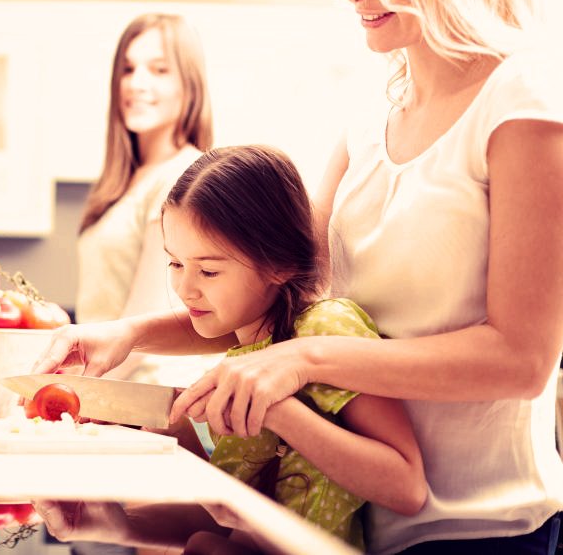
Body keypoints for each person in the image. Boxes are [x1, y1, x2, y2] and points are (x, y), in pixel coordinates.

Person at [36, 0, 563, 553]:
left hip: (486, 526)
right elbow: (276, 288)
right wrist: (128, 334)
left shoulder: (522, 101)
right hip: (372, 526)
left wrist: (304, 360)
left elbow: (522, 358)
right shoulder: (369, 123)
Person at [39, 145, 427, 552]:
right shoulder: (246, 348)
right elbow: (228, 524)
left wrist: (277, 410)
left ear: (279, 264)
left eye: (208, 270)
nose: (185, 289)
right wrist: (114, 524)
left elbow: (406, 487)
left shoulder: (326, 329)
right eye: (174, 264)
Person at [70, 10, 214, 555]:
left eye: (158, 69)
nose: (137, 84)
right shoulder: (127, 179)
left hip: (149, 419)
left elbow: (139, 323)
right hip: (113, 409)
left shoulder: (182, 177)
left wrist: (60, 400)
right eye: (128, 69)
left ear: (189, 86)